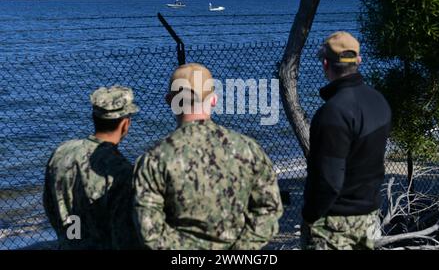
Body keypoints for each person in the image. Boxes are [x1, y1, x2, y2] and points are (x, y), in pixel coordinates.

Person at [133, 63, 283, 250]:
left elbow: (149, 229)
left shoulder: (155, 159)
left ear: (170, 100)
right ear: (213, 99)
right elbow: (269, 209)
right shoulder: (248, 149)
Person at [300, 32, 391, 250]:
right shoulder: (378, 101)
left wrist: (310, 216)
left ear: (325, 64)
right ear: (358, 61)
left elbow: (329, 181)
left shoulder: (333, 113)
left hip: (335, 224)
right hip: (369, 216)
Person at [43, 86, 140, 249]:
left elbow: (50, 204)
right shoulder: (121, 171)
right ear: (125, 124)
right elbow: (123, 232)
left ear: (94, 117)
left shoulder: (62, 152)